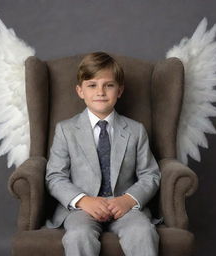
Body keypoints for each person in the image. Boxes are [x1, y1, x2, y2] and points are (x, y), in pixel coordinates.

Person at [45, 51, 161, 256]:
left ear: (120, 90)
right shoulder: (66, 130)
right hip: (82, 209)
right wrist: (83, 200)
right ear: (80, 91)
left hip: (124, 207)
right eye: (92, 85)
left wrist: (128, 200)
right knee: (78, 235)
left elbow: (150, 174)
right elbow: (55, 176)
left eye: (108, 85)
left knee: (143, 232)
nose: (100, 92)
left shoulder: (136, 130)